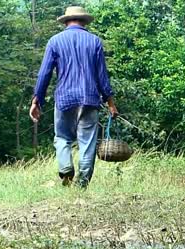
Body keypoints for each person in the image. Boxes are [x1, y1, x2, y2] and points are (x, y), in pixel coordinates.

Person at [29, 6, 118, 188]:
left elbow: (44, 74)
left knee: (62, 137)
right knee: (87, 142)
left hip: (64, 98)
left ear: (66, 21)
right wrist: (110, 103)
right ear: (84, 21)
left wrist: (36, 100)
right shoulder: (94, 42)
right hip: (90, 99)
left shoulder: (55, 41)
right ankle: (82, 184)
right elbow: (102, 76)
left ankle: (66, 168)